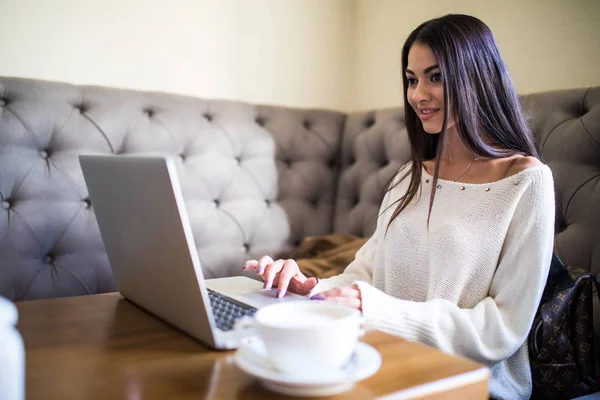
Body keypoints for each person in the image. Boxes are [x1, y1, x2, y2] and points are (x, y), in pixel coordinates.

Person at [243, 14, 555, 400]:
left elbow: (501, 329)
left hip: (469, 383)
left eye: (436, 77)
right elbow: (366, 275)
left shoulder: (526, 181)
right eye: (412, 79)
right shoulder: (411, 175)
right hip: (381, 356)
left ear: (476, 76)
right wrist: (308, 289)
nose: (418, 94)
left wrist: (374, 310)